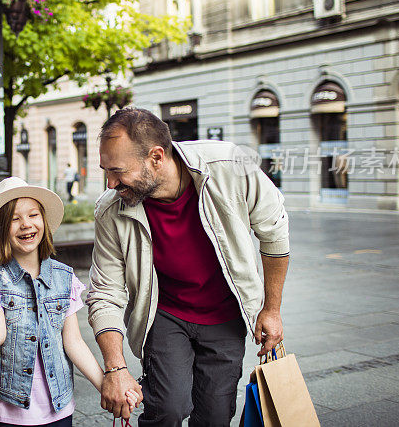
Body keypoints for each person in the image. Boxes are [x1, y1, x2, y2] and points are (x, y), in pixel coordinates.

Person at [87, 107, 290, 426]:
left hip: (225, 315)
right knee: (167, 408)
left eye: (118, 171)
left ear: (156, 157)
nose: (111, 182)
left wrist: (272, 309)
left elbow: (274, 233)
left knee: (215, 415)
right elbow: (105, 293)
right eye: (105, 170)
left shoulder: (228, 165)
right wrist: (116, 368)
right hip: (165, 314)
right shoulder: (111, 210)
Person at [0, 177, 138, 427]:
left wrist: (109, 388)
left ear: (43, 221)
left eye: (33, 215)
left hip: (59, 405)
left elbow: (74, 342)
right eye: (14, 219)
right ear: (2, 229)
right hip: (11, 409)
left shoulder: (64, 278)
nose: (26, 224)